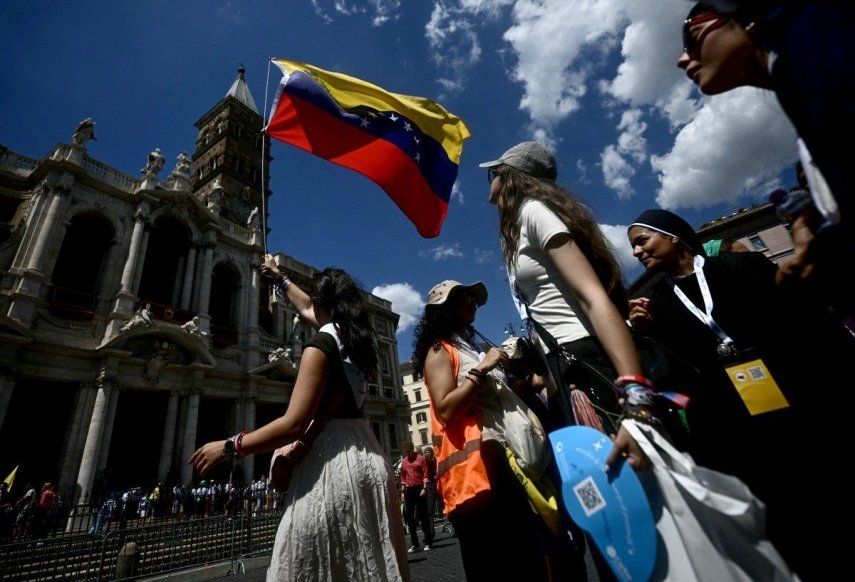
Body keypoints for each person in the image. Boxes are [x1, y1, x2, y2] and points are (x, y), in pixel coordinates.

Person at [626, 207, 855, 577]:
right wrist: (652, 332)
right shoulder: (660, 305)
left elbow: (797, 319)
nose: (637, 253)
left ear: (672, 236)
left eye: (642, 241)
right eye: (634, 247)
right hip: (735, 425)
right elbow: (679, 375)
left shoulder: (737, 268)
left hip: (791, 396)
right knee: (776, 507)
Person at [190, 258, 409, 582]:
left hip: (332, 466)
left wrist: (229, 446)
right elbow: (307, 308)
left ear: (321, 304)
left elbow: (293, 423)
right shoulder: (355, 341)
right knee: (367, 564)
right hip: (369, 457)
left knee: (308, 563)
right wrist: (279, 278)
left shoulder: (320, 345)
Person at [481, 142, 657, 462]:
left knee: (632, 478)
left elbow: (591, 297)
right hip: (565, 365)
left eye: (493, 173)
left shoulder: (534, 211)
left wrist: (637, 399)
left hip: (583, 357)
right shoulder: (522, 222)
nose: (489, 181)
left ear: (510, 177)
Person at [677, 0, 855, 314]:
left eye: (692, 37)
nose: (682, 58)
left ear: (744, 17)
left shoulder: (817, 34)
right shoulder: (796, 80)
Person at [413, 279, 556, 581]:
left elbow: (496, 396)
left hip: (502, 453)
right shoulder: (439, 350)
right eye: (466, 297)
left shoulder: (472, 346)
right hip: (476, 467)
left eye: (474, 299)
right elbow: (446, 409)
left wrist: (534, 379)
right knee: (493, 561)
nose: (473, 303)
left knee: (524, 554)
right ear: (446, 307)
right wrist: (484, 367)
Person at [398, 442, 433, 553]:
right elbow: (403, 476)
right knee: (409, 516)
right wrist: (403, 492)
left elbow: (425, 474)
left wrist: (424, 488)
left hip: (419, 488)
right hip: (409, 490)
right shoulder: (404, 461)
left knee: (423, 515)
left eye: (409, 451)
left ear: (412, 449)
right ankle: (415, 543)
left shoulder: (420, 459)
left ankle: (428, 541)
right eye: (406, 452)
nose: (407, 453)